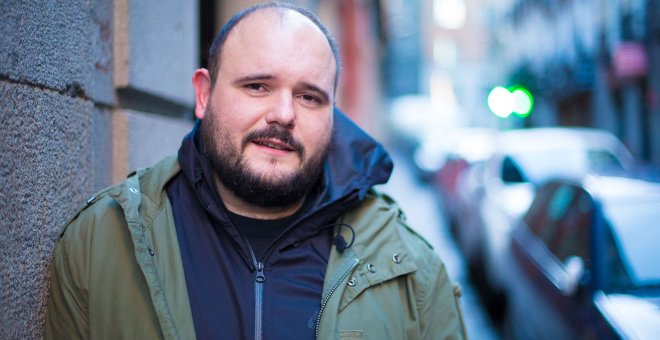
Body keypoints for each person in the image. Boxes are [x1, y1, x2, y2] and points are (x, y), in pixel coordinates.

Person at [44, 2, 466, 339]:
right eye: (257, 86)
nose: (283, 114)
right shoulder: (100, 243)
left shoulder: (411, 269)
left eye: (309, 96)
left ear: (333, 115)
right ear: (204, 95)